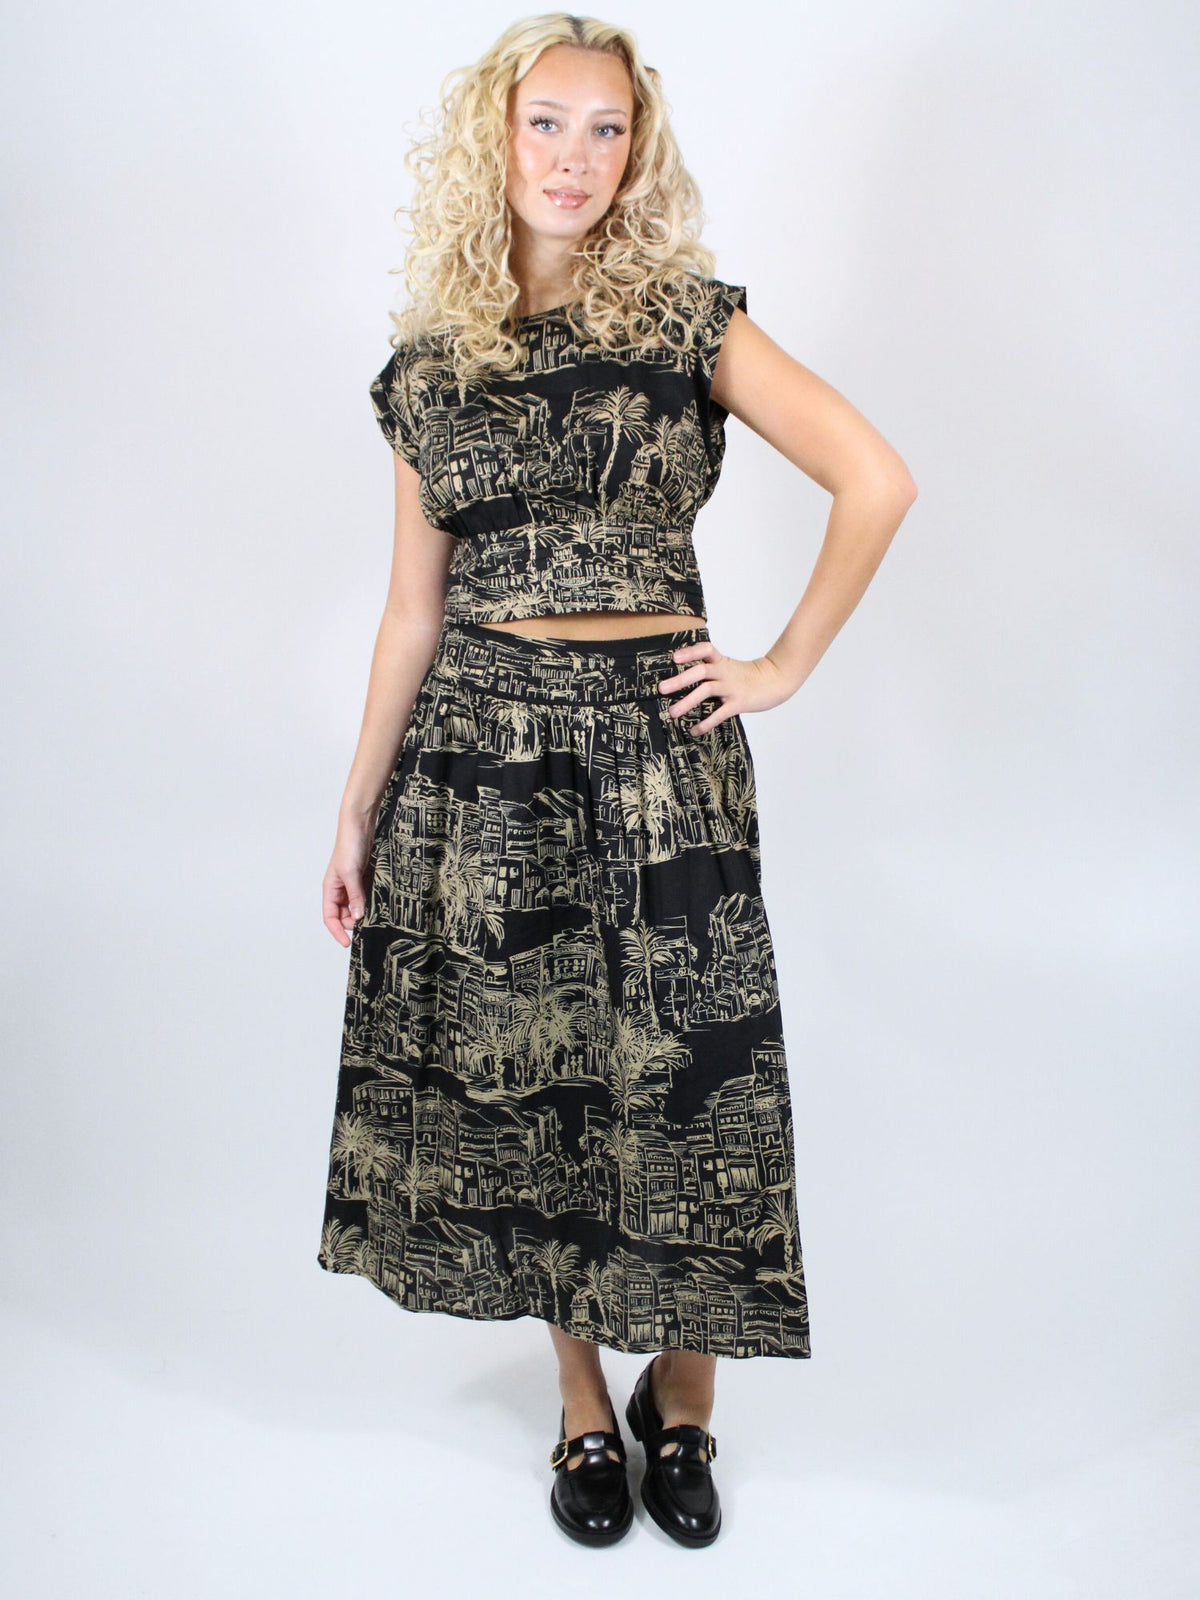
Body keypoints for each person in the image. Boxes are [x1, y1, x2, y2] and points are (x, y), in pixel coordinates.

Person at [317, 12, 916, 1550]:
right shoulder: (434, 367)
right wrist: (358, 805)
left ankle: (687, 1398)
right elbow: (409, 613)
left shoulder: (688, 322)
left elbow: (876, 476)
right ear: (497, 137)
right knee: (542, 1090)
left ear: (635, 152)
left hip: (661, 750)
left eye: (605, 129)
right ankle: (585, 1401)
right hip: (483, 759)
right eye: (547, 123)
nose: (574, 157)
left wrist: (779, 664)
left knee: (693, 1074)